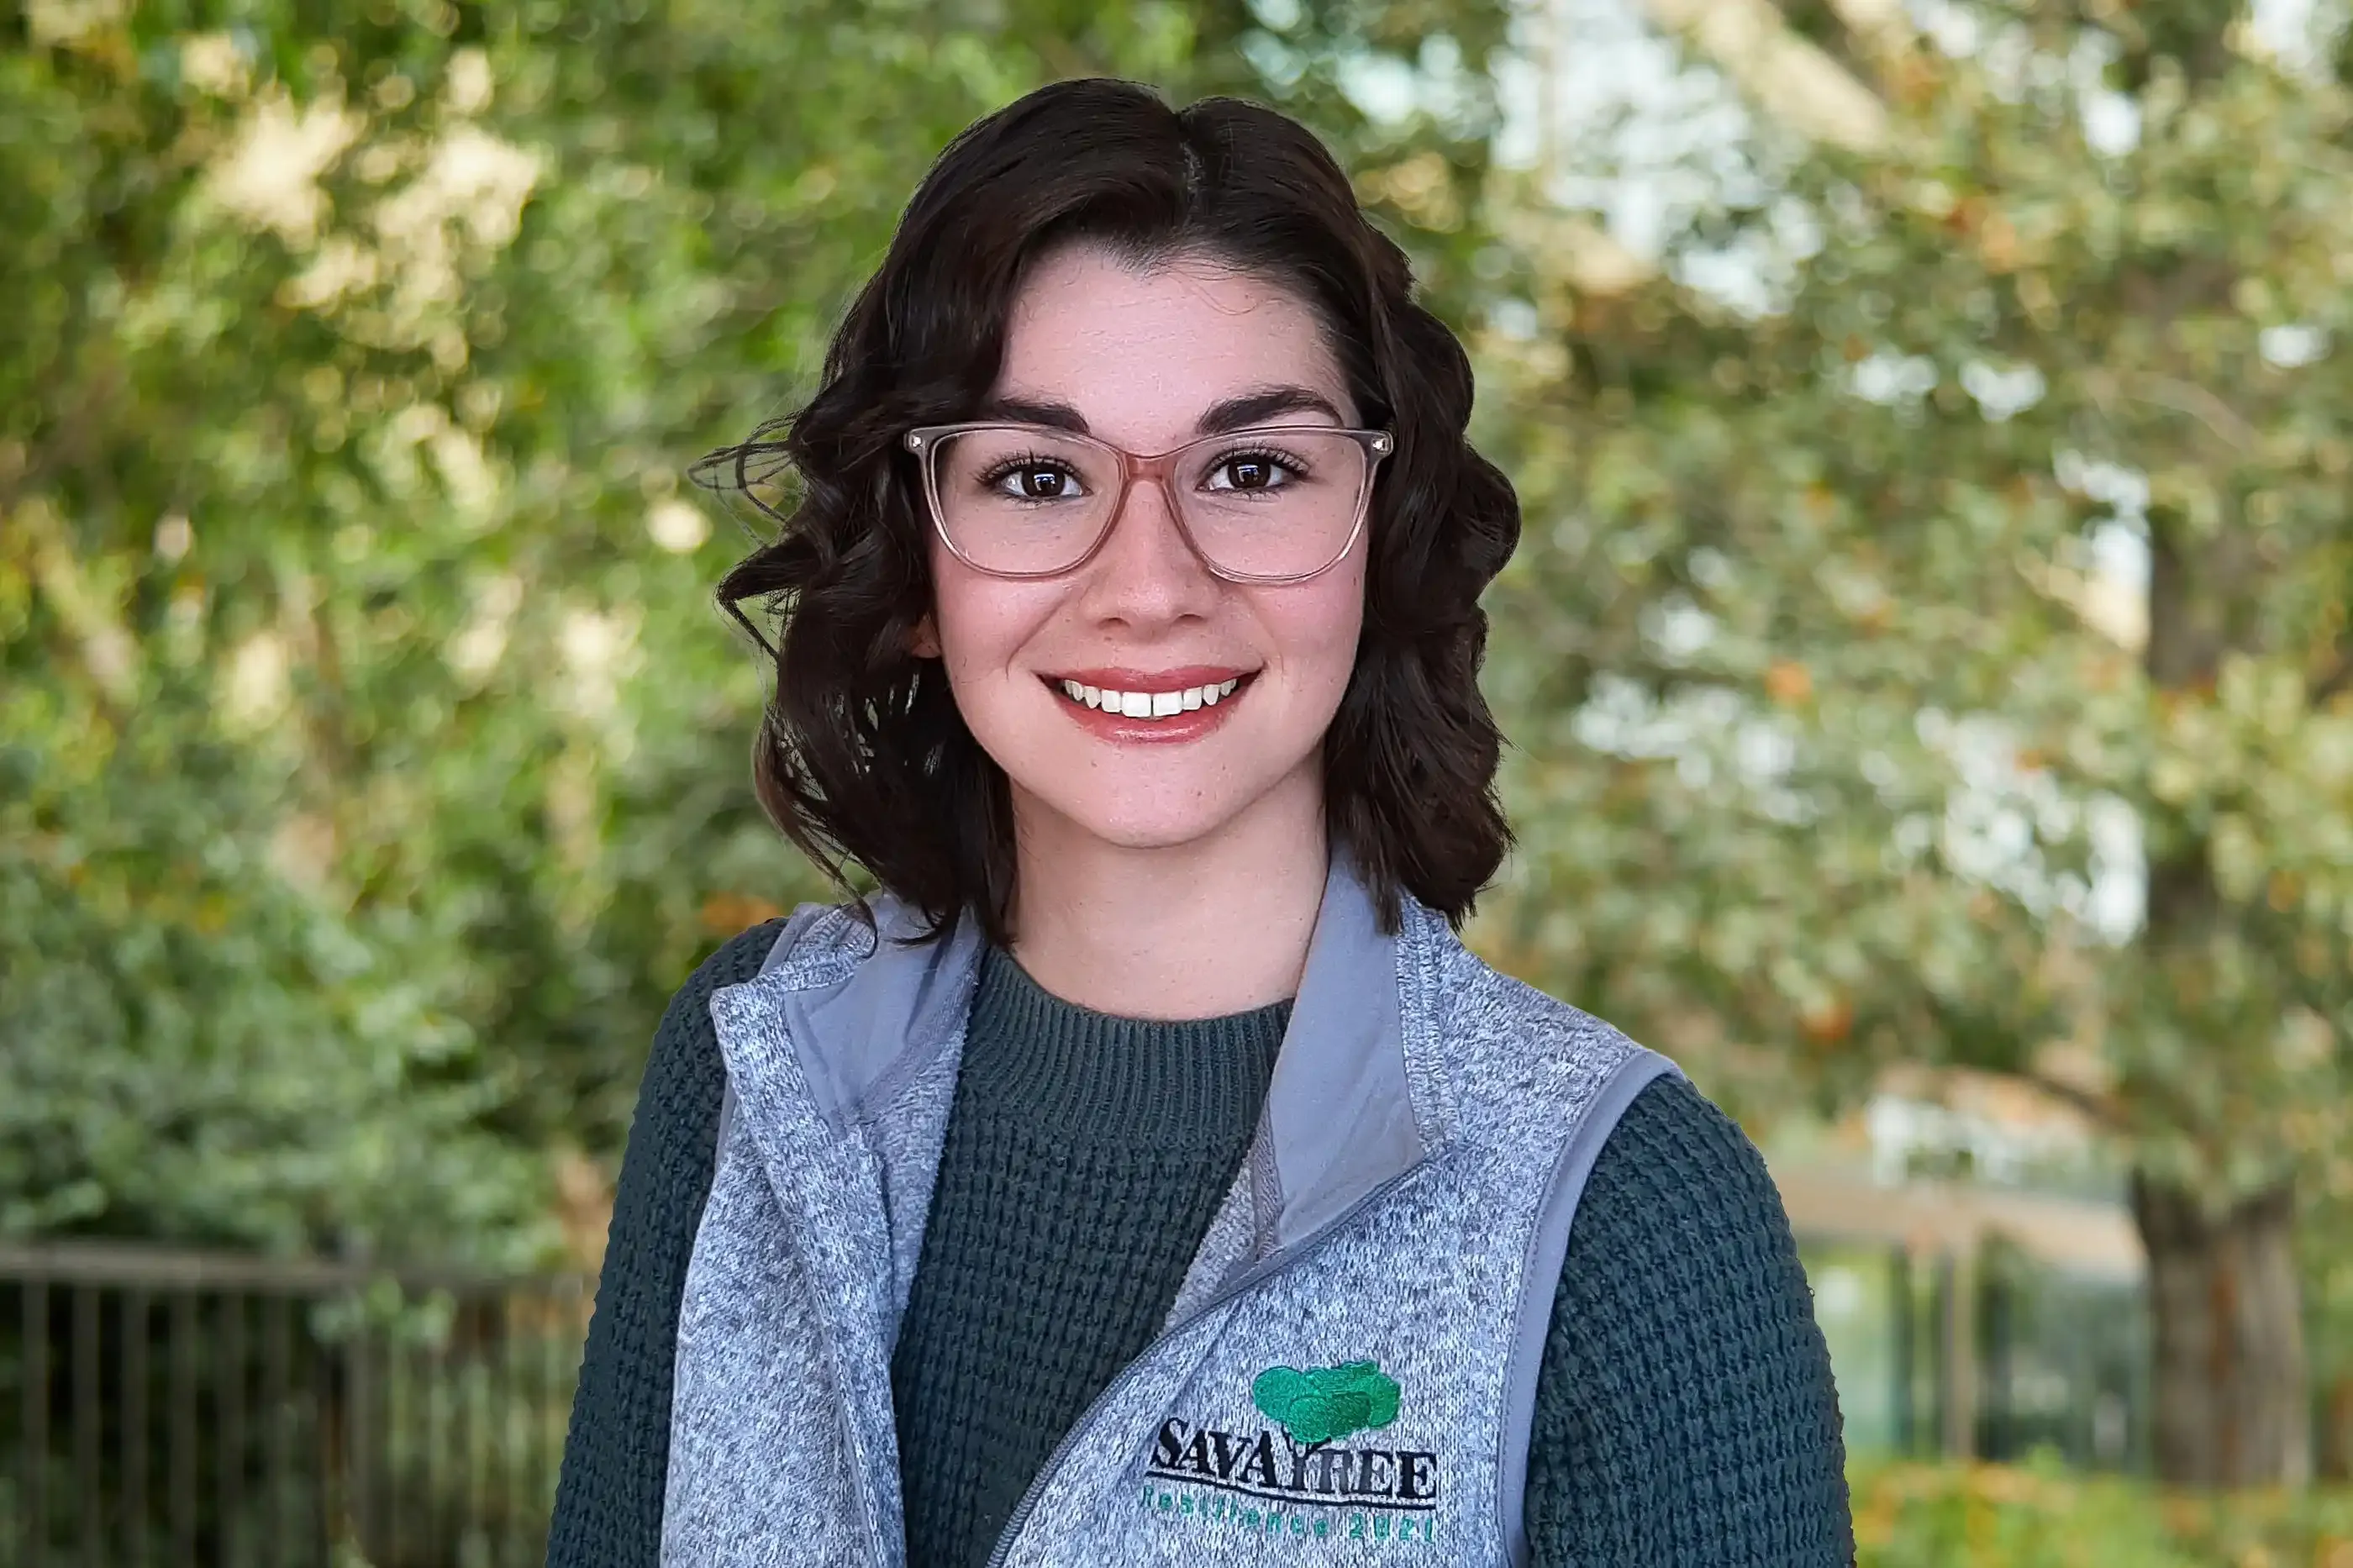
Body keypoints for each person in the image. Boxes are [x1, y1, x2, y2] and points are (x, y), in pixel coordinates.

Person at [547, 76, 1851, 1568]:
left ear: (1381, 534)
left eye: (1251, 471)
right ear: (918, 576)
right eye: (1039, 477)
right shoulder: (751, 1066)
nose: (1149, 584)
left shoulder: (1631, 1211)